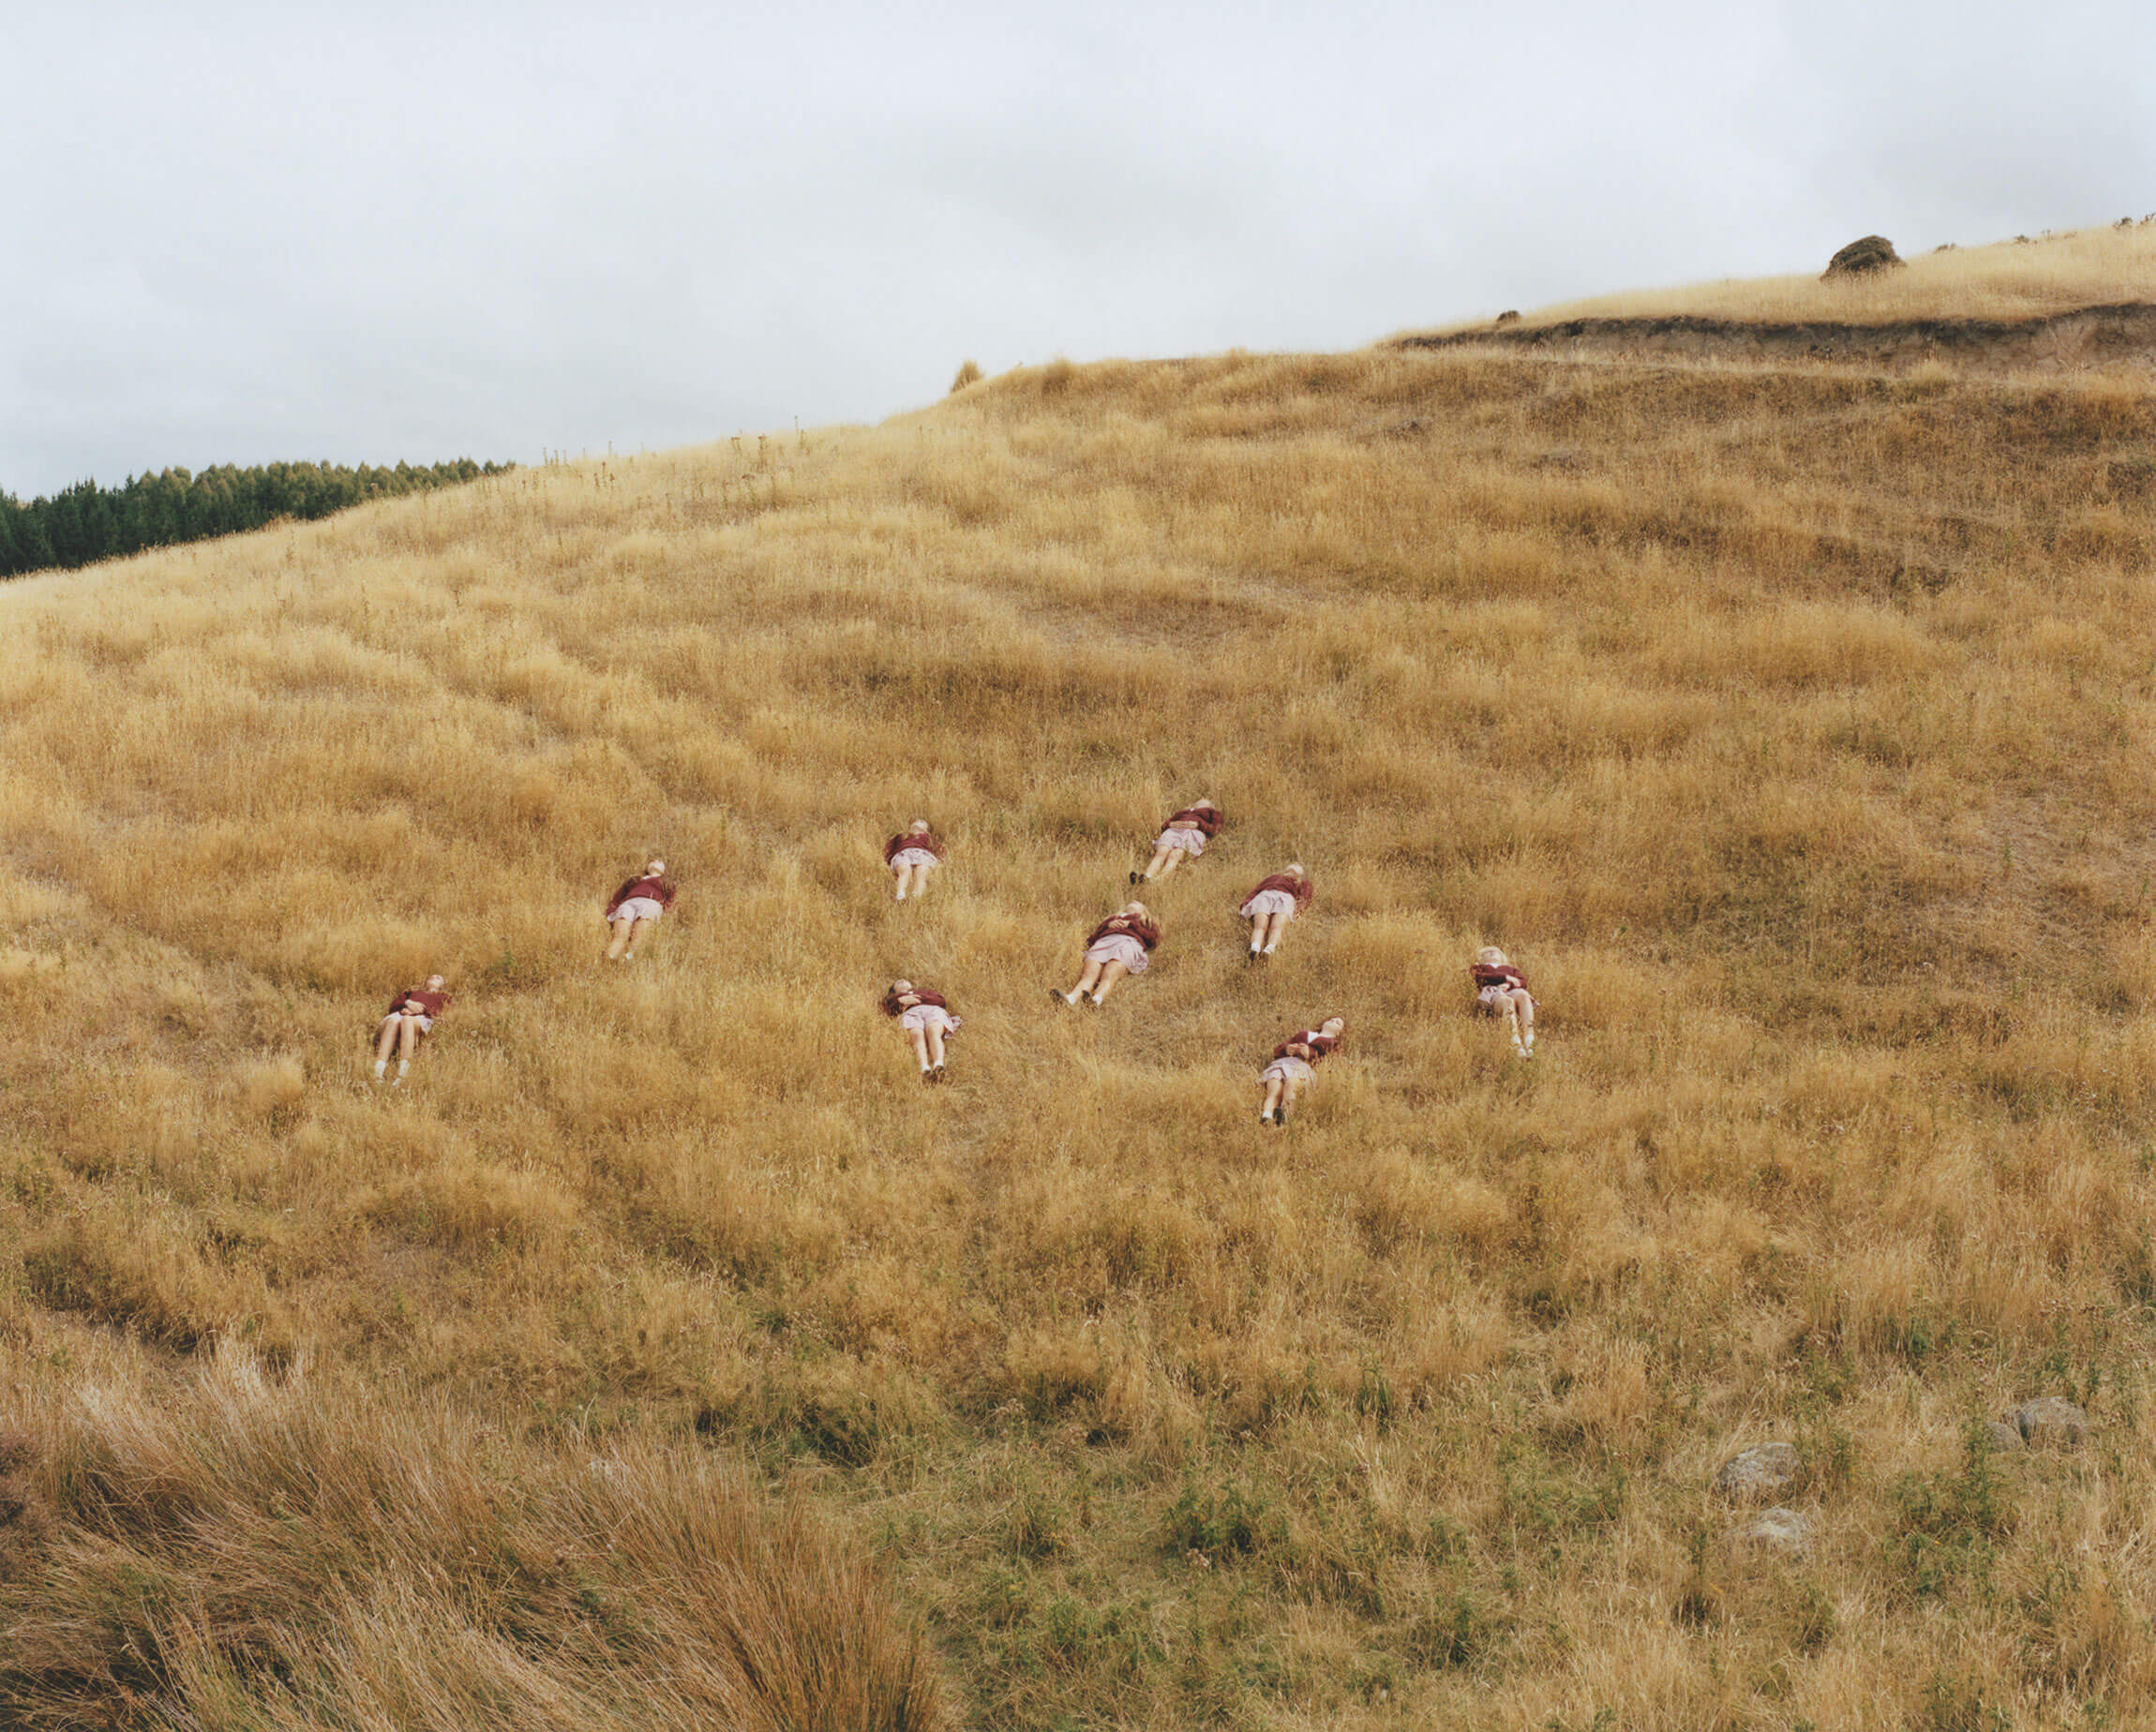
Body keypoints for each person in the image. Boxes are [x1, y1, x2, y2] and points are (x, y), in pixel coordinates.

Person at [1052, 902, 1161, 1007]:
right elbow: (1092, 938)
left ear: (1144, 910)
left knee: (1109, 974)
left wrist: (1131, 925)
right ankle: (1071, 999)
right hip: (1103, 943)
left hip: (1126, 943)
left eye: (1137, 903)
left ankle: (1096, 1000)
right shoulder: (1113, 918)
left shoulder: (1143, 920)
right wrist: (1108, 926)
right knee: (1088, 975)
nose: (1133, 901)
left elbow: (1152, 938)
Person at [1258, 1015, 1344, 1125]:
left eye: (1338, 1023)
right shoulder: (1303, 1034)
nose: (1333, 1020)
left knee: (1291, 1085)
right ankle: (1266, 1116)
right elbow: (1279, 1048)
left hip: (1303, 1068)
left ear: (1339, 1033)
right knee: (1274, 1090)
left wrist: (1312, 1055)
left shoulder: (1334, 1044)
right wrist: (1287, 1048)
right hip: (1283, 1063)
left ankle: (1285, 1117)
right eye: (1331, 1019)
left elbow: (1332, 1064)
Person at [374, 975, 449, 1085]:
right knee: (393, 1022)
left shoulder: (443, 997)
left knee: (407, 1020)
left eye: (438, 978)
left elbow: (444, 1013)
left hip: (421, 1017)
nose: (434, 978)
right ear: (426, 982)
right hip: (399, 1014)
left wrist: (419, 1011)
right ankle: (377, 1072)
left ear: (442, 985)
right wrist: (407, 1003)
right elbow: (393, 1004)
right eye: (431, 977)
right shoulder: (413, 992)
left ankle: (402, 1075)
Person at [882, 979, 960, 1082]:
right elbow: (888, 1012)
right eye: (897, 983)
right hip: (910, 1014)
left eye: (904, 980)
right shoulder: (894, 1000)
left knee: (933, 1031)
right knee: (916, 1035)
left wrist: (919, 998)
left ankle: (939, 1065)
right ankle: (924, 1069)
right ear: (893, 991)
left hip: (933, 1010)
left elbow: (941, 1001)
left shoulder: (923, 992)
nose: (901, 980)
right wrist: (900, 1001)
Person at [1132, 799, 1221, 884]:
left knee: (1174, 855)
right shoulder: (1183, 812)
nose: (1201, 801)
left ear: (1210, 806)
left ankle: (1158, 881)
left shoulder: (1212, 813)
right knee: (1162, 851)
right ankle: (1146, 876)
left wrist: (1199, 825)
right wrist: (1171, 824)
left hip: (1193, 832)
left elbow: (1215, 829)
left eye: (1204, 802)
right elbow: (1164, 826)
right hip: (1173, 831)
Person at [1238, 862, 1312, 963]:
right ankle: (1255, 949)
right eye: (1290, 868)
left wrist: (1299, 910)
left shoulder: (1303, 882)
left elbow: (1305, 897)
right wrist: (1246, 904)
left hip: (1285, 898)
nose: (1294, 865)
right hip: (1265, 896)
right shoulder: (1273, 877)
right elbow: (1255, 891)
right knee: (1260, 926)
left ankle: (1268, 950)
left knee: (1277, 927)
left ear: (1301, 874)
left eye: (1296, 869)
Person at [605, 859, 677, 961]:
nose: (655, 861)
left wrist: (665, 913)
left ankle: (628, 958)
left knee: (639, 934)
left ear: (664, 870)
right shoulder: (635, 880)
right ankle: (608, 958)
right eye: (652, 861)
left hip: (650, 903)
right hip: (628, 904)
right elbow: (617, 897)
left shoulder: (666, 882)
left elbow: (670, 899)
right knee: (620, 934)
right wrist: (611, 912)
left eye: (659, 861)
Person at [1472, 947, 1536, 1057]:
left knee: (1524, 995)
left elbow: (1523, 982)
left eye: (1496, 951)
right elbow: (1480, 977)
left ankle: (1529, 1039)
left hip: (1512, 990)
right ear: (1482, 958)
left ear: (1501, 957)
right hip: (1493, 992)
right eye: (1487, 952)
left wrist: (1508, 984)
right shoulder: (1480, 967)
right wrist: (1506, 977)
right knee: (1508, 1001)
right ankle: (1514, 1041)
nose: (1492, 952)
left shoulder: (1511, 969)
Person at [884, 820, 944, 902]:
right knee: (905, 872)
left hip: (923, 854)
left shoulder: (929, 838)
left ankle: (917, 895)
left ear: (926, 830)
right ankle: (900, 894)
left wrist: (940, 862)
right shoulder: (901, 836)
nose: (918, 822)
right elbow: (888, 849)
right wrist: (887, 860)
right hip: (904, 853)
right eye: (916, 821)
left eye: (922, 822)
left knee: (921, 872)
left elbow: (939, 850)